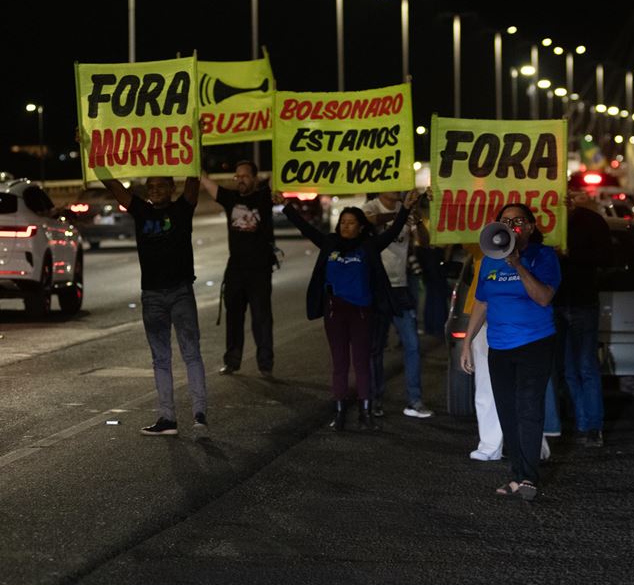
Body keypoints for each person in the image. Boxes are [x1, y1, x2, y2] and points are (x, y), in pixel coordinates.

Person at [281, 192, 417, 430]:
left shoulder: (369, 246)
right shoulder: (330, 243)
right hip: (335, 312)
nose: (346, 226)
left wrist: (404, 209)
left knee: (361, 363)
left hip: (362, 312)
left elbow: (393, 231)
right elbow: (305, 228)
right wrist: (286, 207)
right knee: (340, 364)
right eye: (343, 222)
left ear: (361, 227)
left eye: (351, 223)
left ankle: (366, 414)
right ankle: (340, 414)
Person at [460, 203, 561, 501]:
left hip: (535, 343)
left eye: (518, 220)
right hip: (500, 347)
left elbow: (543, 298)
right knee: (508, 412)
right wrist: (467, 342)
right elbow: (482, 302)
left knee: (529, 408)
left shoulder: (544, 256)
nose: (513, 225)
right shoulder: (490, 259)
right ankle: (517, 476)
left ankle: (529, 477)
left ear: (530, 226)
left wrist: (517, 264)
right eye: (506, 221)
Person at [101, 174, 208, 437]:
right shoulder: (141, 210)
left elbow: (194, 178)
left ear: (173, 188)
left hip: (181, 291)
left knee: (191, 354)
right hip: (152, 296)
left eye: (161, 186)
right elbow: (113, 186)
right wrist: (92, 152)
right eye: (151, 187)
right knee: (161, 359)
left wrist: (198, 138)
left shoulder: (183, 208)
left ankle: (200, 417)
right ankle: (167, 419)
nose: (156, 190)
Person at [200, 162, 276, 378]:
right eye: (237, 176)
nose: (240, 179)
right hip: (235, 270)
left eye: (245, 176)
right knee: (233, 317)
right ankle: (232, 361)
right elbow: (205, 180)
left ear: (254, 177)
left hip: (260, 270)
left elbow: (279, 174)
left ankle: (265, 365)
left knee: (262, 318)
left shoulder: (264, 197)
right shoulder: (230, 198)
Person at [362, 191, 433, 419]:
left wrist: (417, 218)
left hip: (401, 287)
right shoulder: (370, 207)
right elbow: (369, 221)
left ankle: (414, 400)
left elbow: (425, 240)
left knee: (412, 344)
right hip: (376, 288)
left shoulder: (407, 208)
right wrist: (401, 213)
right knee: (375, 348)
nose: (397, 188)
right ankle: (374, 399)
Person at [555, 189, 612, 446]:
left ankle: (593, 427)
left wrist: (570, 255)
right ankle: (582, 423)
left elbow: (605, 257)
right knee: (569, 369)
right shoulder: (545, 221)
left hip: (583, 303)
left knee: (586, 366)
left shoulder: (591, 221)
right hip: (555, 304)